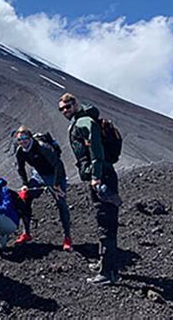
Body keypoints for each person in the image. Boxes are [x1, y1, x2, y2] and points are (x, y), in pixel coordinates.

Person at [58, 93, 121, 285]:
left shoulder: (84, 122)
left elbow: (95, 147)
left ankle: (108, 273)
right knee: (103, 220)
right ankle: (106, 264)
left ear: (75, 104)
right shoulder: (82, 120)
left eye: (68, 107)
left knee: (106, 223)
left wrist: (95, 175)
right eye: (62, 109)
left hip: (101, 177)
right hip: (102, 176)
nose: (65, 111)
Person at [14, 126, 72, 251]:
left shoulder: (42, 147)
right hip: (39, 175)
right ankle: (26, 233)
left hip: (54, 175)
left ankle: (67, 238)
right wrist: (25, 184)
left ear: (30, 138)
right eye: (19, 139)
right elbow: (21, 168)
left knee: (61, 203)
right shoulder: (20, 151)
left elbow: (58, 165)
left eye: (25, 138)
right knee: (25, 199)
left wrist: (56, 184)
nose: (22, 141)